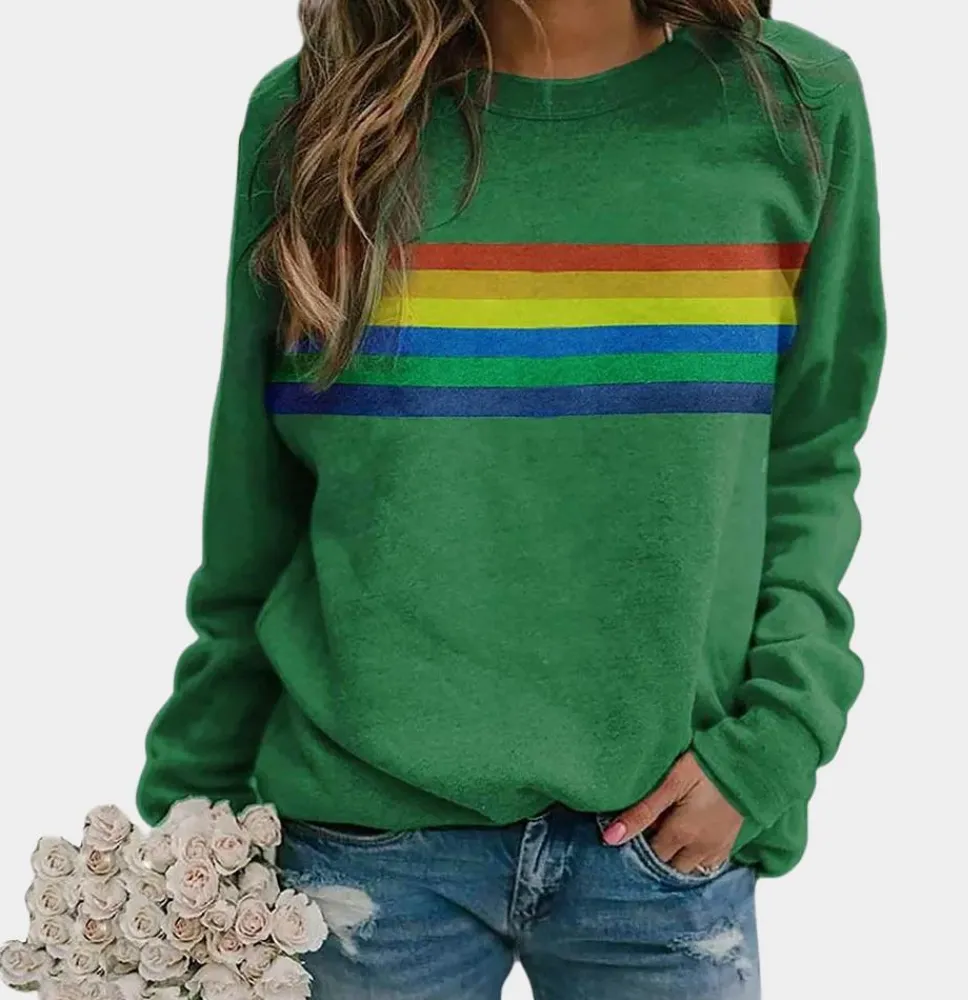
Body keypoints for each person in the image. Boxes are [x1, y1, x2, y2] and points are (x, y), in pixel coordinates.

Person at [137, 0, 885, 995]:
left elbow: (811, 454)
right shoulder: (313, 118)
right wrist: (194, 808)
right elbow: (253, 498)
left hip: (663, 838)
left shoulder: (793, 106)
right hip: (358, 844)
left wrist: (776, 740)